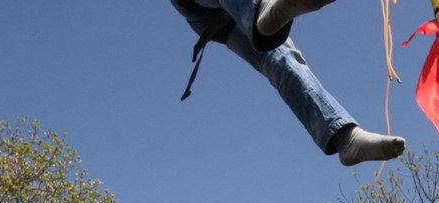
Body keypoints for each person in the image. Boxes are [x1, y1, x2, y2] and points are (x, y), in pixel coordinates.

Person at [171, 0, 406, 165]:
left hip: (229, 18)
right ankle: (260, 13)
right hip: (205, 10)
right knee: (268, 30)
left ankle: (346, 139)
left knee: (282, 60)